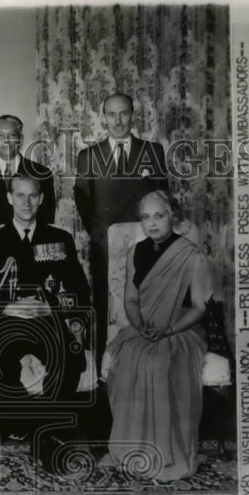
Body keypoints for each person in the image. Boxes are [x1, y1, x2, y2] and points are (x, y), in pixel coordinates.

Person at [0, 174, 91, 471]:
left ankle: (43, 434)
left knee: (70, 359)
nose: (26, 202)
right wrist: (9, 307)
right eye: (20, 195)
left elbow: (81, 291)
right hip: (6, 322)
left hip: (49, 321)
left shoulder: (60, 239)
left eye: (32, 196)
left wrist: (50, 305)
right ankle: (29, 424)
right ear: (9, 198)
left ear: (42, 199)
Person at [102, 190, 211, 481]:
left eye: (159, 216)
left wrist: (169, 330)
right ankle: (131, 451)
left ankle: (166, 455)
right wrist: (140, 326)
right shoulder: (135, 252)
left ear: (172, 216)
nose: (152, 224)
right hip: (144, 326)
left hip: (182, 329)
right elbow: (130, 301)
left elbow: (201, 308)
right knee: (127, 358)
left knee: (158, 362)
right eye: (145, 217)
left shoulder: (192, 255)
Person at [73, 93, 169, 359]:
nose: (118, 120)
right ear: (103, 117)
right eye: (112, 114)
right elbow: (84, 202)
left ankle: (148, 360)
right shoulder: (88, 155)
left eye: (123, 113)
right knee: (107, 306)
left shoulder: (153, 151)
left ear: (132, 115)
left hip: (147, 246)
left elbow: (163, 199)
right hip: (106, 247)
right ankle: (108, 366)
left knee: (147, 304)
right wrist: (102, 236)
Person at [0, 114, 55, 234]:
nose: (6, 140)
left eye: (12, 135)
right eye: (0, 135)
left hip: (31, 243)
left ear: (21, 139)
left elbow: (47, 217)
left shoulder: (41, 173)